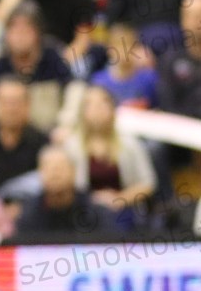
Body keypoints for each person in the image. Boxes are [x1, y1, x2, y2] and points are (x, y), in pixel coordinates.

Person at [0, 3, 78, 135]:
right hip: (12, 134)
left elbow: (75, 89)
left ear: (38, 33)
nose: (20, 36)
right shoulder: (0, 65)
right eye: (14, 30)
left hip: (49, 132)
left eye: (26, 30)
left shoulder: (52, 59)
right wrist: (6, 109)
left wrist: (65, 124)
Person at [62, 86, 155, 226]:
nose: (97, 109)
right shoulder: (71, 146)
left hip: (125, 209)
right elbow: (66, 185)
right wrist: (93, 199)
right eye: (90, 104)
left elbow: (148, 183)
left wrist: (120, 199)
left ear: (112, 109)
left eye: (103, 103)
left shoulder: (130, 143)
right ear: (82, 111)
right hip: (84, 210)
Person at [14, 146, 117, 239]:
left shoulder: (95, 211)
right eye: (48, 168)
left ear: (74, 172)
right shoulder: (29, 213)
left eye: (60, 168)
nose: (54, 174)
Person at [88, 22, 158, 109]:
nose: (123, 51)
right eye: (118, 45)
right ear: (109, 49)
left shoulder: (149, 78)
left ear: (136, 48)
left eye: (128, 45)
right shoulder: (99, 81)